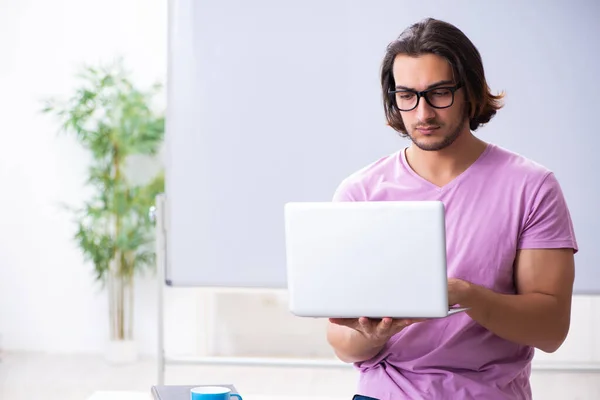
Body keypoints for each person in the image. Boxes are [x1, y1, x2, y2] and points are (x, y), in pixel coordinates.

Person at [326, 18, 578, 400]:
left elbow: (550, 330)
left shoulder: (531, 187)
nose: (423, 113)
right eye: (407, 95)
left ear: (470, 91)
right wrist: (371, 336)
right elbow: (343, 345)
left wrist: (465, 295)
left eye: (439, 93)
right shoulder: (360, 191)